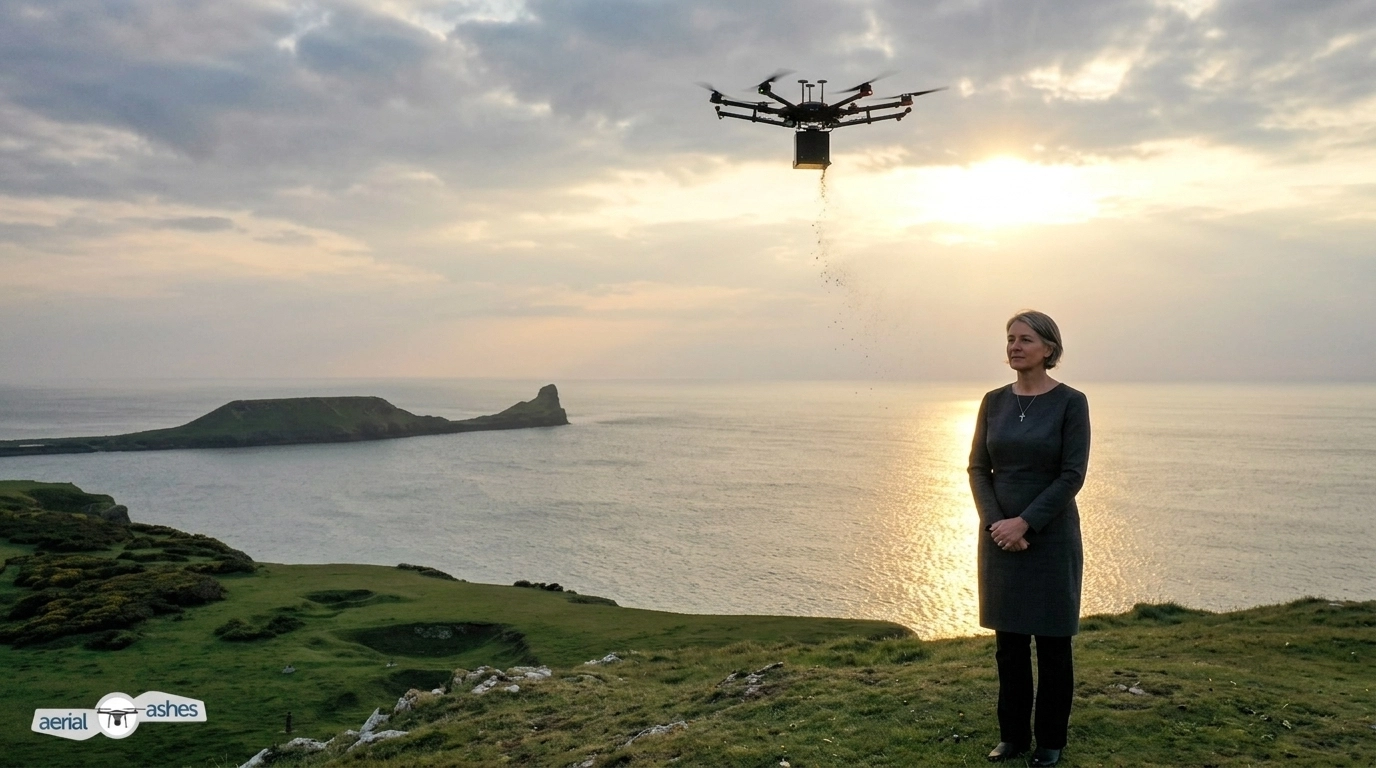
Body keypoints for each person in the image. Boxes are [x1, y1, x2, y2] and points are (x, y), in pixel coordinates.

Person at [968, 310, 1090, 767]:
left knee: (1054, 644)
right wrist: (998, 523)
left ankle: (1051, 742)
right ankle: (1012, 736)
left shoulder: (1071, 402)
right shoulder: (992, 401)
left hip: (1051, 536)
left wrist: (1026, 523)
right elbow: (978, 468)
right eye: (1010, 339)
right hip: (998, 537)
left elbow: (1072, 474)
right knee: (1010, 644)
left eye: (1024, 340)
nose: (1014, 347)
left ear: (1049, 349)